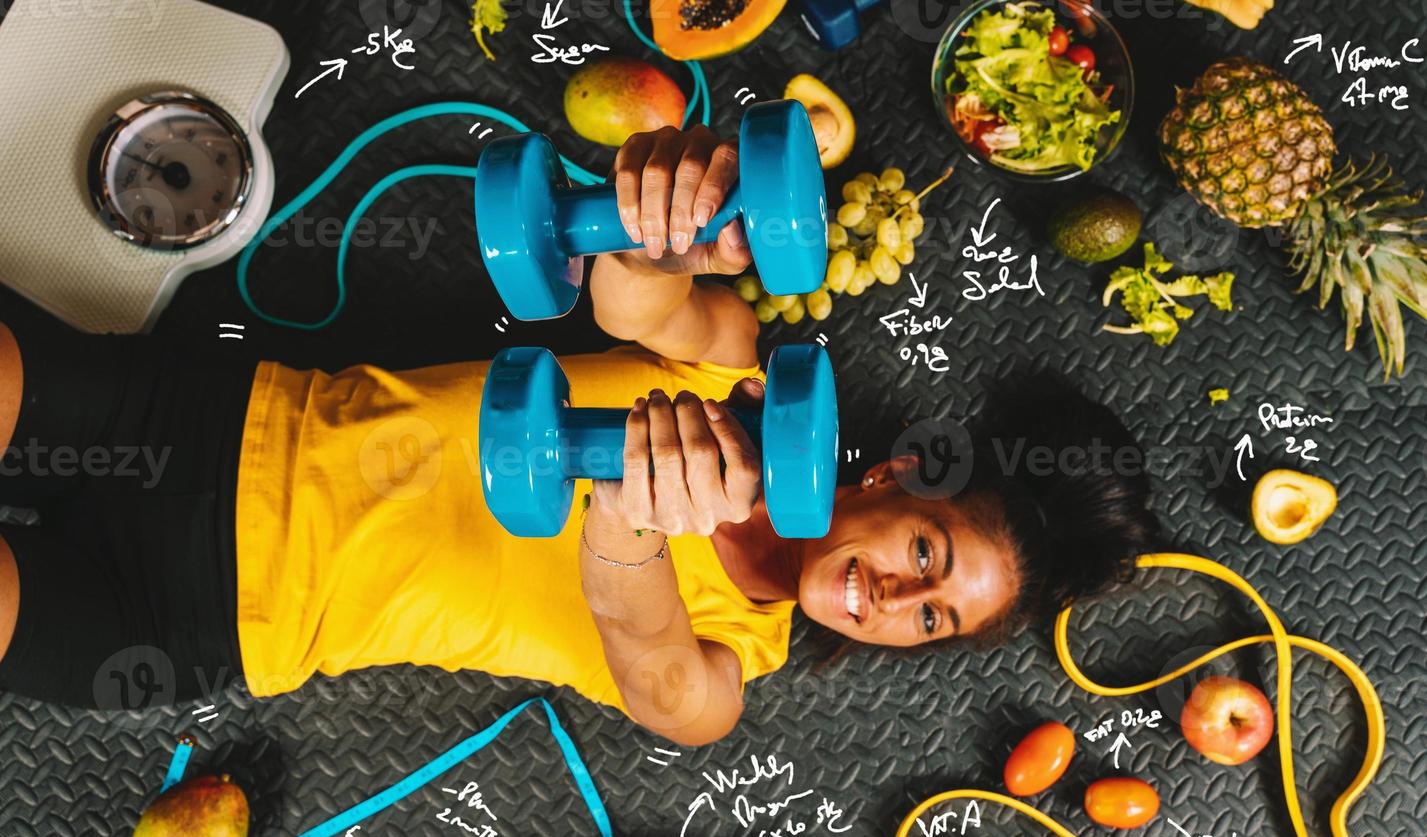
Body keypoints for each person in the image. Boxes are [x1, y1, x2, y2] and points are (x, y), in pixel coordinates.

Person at [0, 126, 1156, 744]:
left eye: (932, 620)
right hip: (220, 420)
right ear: (903, 475)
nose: (895, 602)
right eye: (925, 559)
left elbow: (654, 680)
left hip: (202, 618)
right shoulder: (745, 380)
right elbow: (633, 299)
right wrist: (655, 215)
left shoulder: (727, 670)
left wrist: (629, 524)